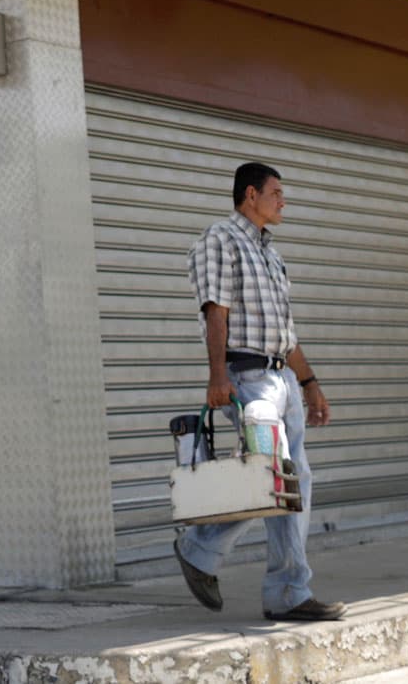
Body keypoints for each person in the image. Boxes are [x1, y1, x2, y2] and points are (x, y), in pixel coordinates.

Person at [173, 160, 343, 623]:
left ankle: (204, 551)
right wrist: (217, 377)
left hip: (282, 380)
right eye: (276, 192)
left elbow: (284, 334)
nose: (282, 200)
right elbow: (216, 313)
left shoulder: (270, 253)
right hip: (247, 380)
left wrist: (309, 384)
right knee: (276, 473)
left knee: (291, 480)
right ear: (251, 195)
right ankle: (287, 590)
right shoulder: (220, 240)